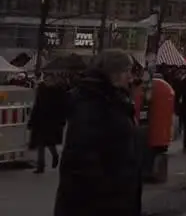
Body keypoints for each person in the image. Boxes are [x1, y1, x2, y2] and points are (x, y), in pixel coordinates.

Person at [54, 50, 144, 216]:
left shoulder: (112, 100)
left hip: (112, 198)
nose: (131, 78)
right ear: (114, 73)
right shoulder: (93, 103)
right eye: (128, 71)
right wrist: (109, 195)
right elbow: (82, 158)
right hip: (98, 203)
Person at [29, 72, 70, 174]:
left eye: (50, 79)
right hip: (41, 120)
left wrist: (62, 120)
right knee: (41, 143)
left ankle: (55, 155)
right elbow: (37, 105)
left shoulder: (59, 91)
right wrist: (32, 120)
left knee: (49, 142)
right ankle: (40, 166)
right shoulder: (41, 90)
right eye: (46, 79)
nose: (48, 81)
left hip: (52, 121)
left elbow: (63, 107)